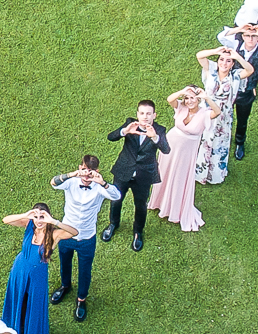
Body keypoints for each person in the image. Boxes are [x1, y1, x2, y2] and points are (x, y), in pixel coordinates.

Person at [49, 154, 122, 321]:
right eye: (84, 170)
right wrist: (72, 174)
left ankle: (81, 299)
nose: (86, 175)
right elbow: (53, 182)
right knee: (64, 262)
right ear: (80, 168)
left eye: (91, 172)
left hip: (87, 237)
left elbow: (117, 196)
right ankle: (65, 286)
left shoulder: (99, 187)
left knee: (85, 270)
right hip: (66, 234)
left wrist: (102, 182)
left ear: (96, 171)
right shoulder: (71, 182)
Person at [1, 204, 74, 334]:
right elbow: (6, 220)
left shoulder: (54, 234)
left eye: (42, 217)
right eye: (36, 217)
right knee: (18, 302)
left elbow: (74, 232)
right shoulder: (28, 225)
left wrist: (54, 221)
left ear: (47, 217)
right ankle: (15, 331)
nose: (39, 221)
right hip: (19, 271)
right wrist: (26, 214)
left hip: (37, 278)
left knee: (33, 308)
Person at [102, 103, 169, 251]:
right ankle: (113, 223)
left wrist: (155, 138)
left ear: (154, 115)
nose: (145, 117)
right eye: (142, 113)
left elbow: (166, 149)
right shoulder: (129, 124)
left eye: (148, 114)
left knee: (140, 205)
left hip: (144, 175)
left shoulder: (160, 130)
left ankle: (138, 232)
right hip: (124, 170)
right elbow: (110, 137)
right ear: (138, 114)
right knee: (116, 199)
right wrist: (124, 131)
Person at [149, 85, 216, 232]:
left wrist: (206, 98)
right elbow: (169, 99)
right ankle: (159, 201)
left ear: (198, 99)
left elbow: (217, 112)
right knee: (165, 173)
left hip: (186, 152)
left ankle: (174, 208)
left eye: (193, 98)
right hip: (170, 146)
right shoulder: (181, 108)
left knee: (179, 177)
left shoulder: (205, 113)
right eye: (187, 98)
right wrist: (182, 92)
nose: (189, 101)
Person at [218, 23, 258, 161]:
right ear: (243, 36)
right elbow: (221, 36)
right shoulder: (236, 46)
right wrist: (239, 29)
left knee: (242, 120)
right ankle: (221, 139)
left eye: (254, 36)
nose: (250, 39)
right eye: (247, 36)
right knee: (222, 115)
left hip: (245, 93)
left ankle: (240, 143)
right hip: (229, 89)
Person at [193, 46, 249, 185]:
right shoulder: (210, 70)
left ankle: (214, 173)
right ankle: (197, 170)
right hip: (206, 110)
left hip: (223, 114)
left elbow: (250, 70)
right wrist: (215, 52)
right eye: (222, 60)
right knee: (202, 140)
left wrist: (237, 57)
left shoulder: (235, 76)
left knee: (219, 143)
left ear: (232, 64)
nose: (224, 63)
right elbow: (199, 55)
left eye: (228, 61)